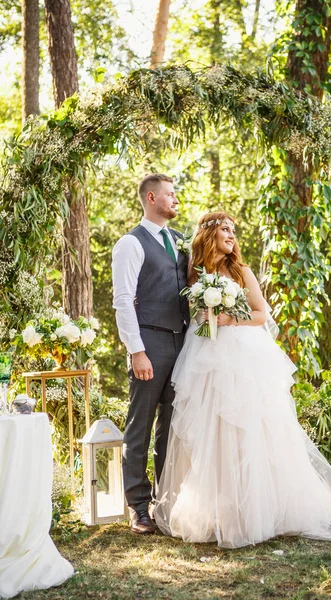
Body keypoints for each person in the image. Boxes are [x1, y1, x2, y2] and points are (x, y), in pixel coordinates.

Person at [154, 211, 331, 548]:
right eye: (225, 229)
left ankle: (256, 510)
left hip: (241, 354)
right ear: (209, 235)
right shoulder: (194, 272)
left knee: (246, 429)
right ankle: (217, 511)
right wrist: (209, 313)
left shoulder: (241, 271)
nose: (232, 235)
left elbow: (262, 314)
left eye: (234, 230)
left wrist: (231, 318)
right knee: (210, 431)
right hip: (203, 352)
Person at [112, 174, 190, 534]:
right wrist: (136, 351)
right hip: (151, 343)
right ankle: (139, 508)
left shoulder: (179, 241)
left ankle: (167, 500)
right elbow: (123, 300)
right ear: (152, 197)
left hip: (184, 344)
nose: (176, 199)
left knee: (172, 429)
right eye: (171, 194)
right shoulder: (130, 243)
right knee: (140, 426)